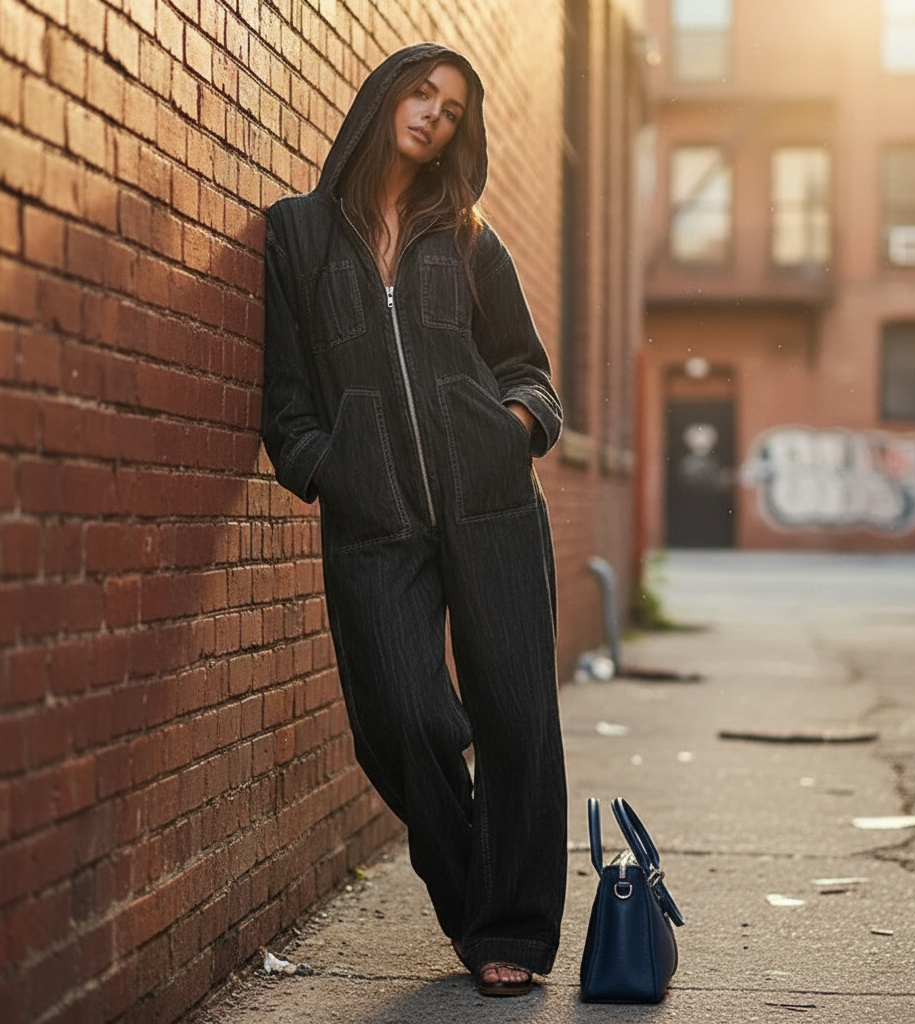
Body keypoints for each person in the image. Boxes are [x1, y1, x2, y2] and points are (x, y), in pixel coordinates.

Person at [260, 43, 567, 997]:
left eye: (453, 107)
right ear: (386, 95)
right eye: (422, 91)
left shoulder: (469, 237)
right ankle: (480, 884)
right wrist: (329, 468)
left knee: (516, 717)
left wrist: (509, 431)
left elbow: (529, 372)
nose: (434, 112)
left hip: (493, 509)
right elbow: (286, 402)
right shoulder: (298, 235)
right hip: (374, 521)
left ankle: (509, 928)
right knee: (400, 716)